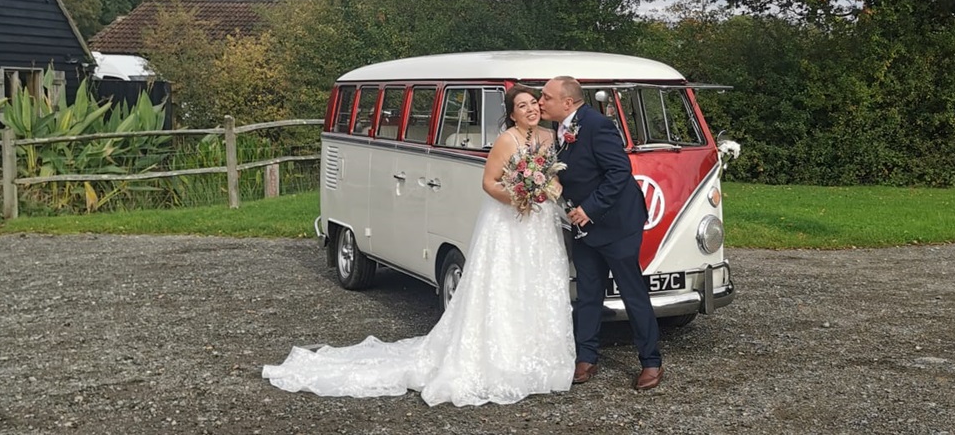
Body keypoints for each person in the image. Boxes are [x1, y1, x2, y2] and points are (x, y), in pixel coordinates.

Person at [262, 84, 574, 406]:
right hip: (511, 220)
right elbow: (489, 182)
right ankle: (503, 359)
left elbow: (556, 176)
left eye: (533, 103)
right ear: (511, 114)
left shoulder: (549, 138)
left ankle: (538, 358)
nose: (531, 109)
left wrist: (546, 189)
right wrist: (518, 197)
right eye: (522, 106)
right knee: (505, 284)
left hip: (539, 222)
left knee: (535, 284)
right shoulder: (506, 141)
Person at [538, 75, 664, 391]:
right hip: (583, 227)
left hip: (617, 223)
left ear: (568, 102)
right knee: (589, 292)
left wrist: (590, 209)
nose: (541, 102)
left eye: (546, 97)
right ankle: (586, 357)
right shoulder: (559, 130)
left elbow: (620, 172)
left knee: (632, 292)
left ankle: (651, 362)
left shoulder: (596, 125)